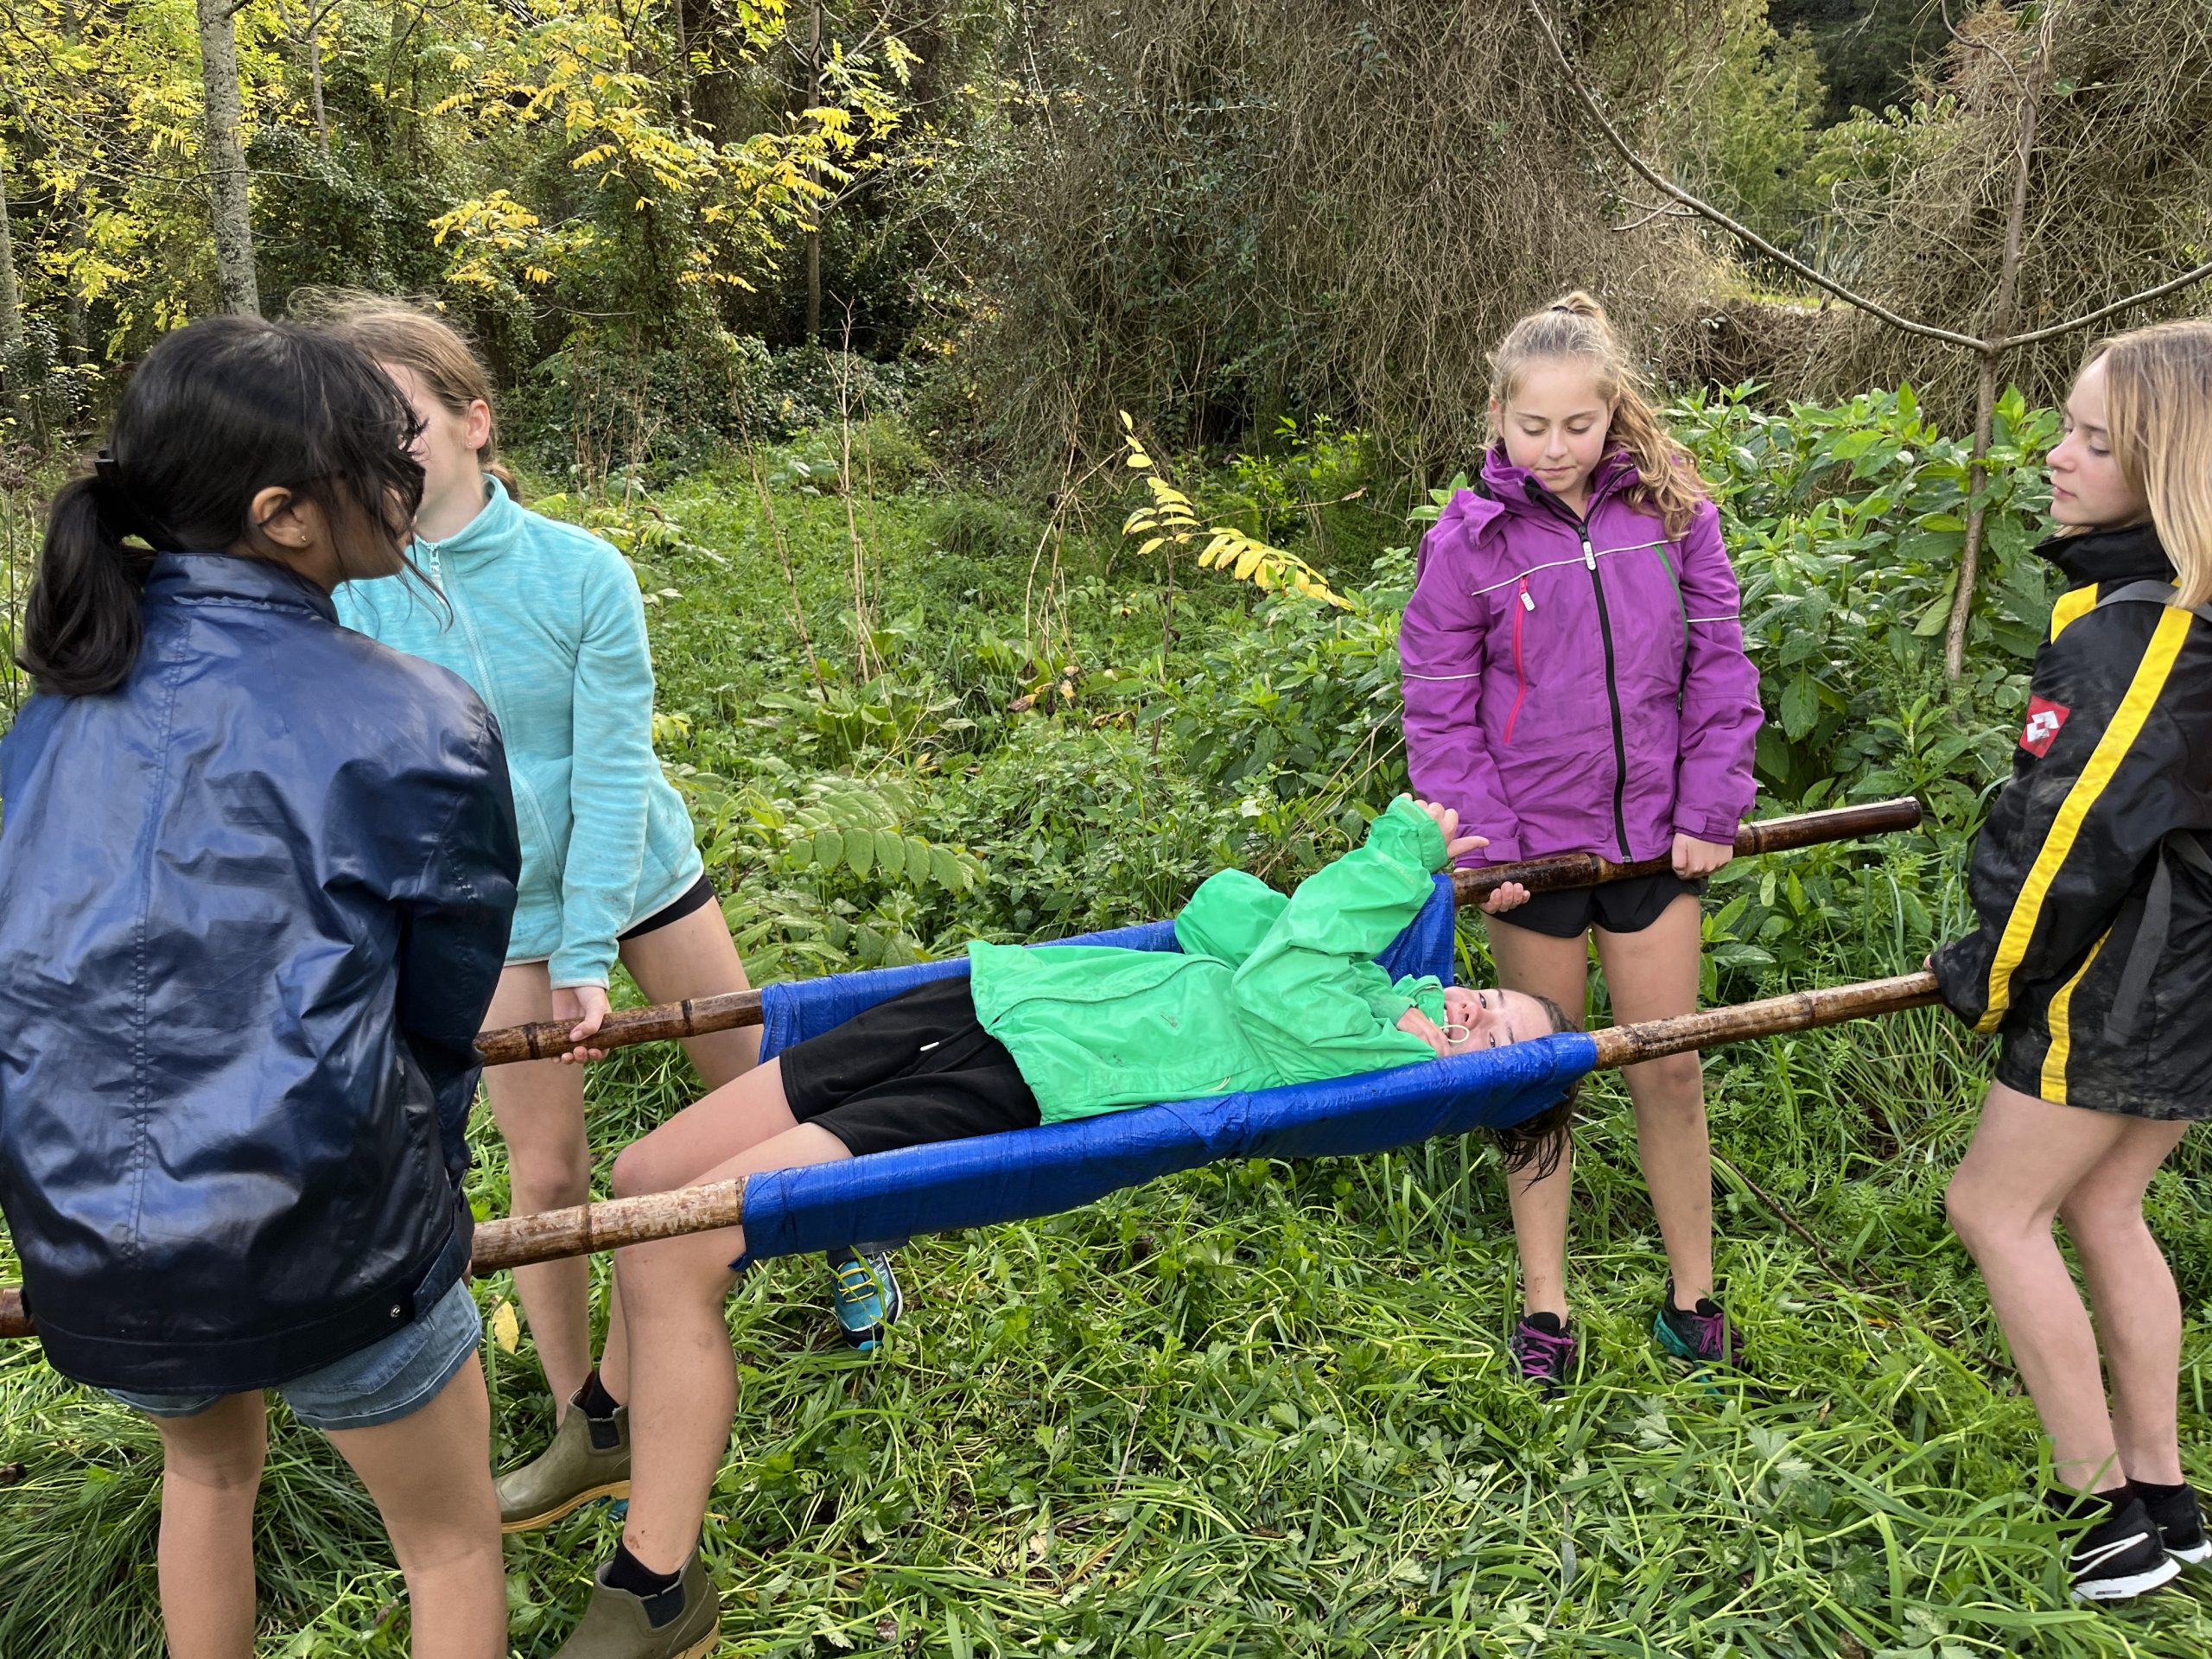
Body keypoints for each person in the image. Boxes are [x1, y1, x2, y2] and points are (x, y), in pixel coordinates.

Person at [513, 797, 1567, 1657]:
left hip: (1027, 1085)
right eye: (1484, 997)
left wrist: (1394, 864)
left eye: (1490, 1042)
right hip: (994, 997)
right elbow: (1219, 911)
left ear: (1466, 1085)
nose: (1472, 1013)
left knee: (679, 1240)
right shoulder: (1368, 995)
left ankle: (656, 1588)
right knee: (647, 1176)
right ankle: (611, 1426)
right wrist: (1396, 929)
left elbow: (1282, 980)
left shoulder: (1375, 1062)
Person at [0, 317, 520, 1658]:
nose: (404, 481)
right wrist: (429, 1195)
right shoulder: (421, 721)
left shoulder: (48, 719)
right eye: (378, 461)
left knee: (208, 1475)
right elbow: (440, 1018)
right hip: (333, 1235)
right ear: (283, 516)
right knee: (452, 1544)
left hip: (97, 1251)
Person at [305, 298, 901, 1452]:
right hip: (493, 916)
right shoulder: (353, 599)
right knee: (545, 1172)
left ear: (475, 422)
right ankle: (587, 1413)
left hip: (640, 875)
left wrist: (588, 949)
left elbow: (614, 771)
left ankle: (844, 1234)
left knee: (759, 1083)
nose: (377, 452)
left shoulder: (582, 572)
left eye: (400, 420)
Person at [1398, 290, 1764, 1391]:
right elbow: (1437, 708)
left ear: (1613, 413)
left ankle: (1692, 1300)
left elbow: (1720, 666)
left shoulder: (1674, 513)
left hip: (1654, 848)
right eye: (1532, 426)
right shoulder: (1467, 543)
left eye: (1578, 425)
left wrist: (1708, 808)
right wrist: (1487, 852)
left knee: (1669, 1068)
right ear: (1496, 417)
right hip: (1533, 861)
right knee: (1537, 1078)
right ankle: (1545, 1306)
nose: (1555, 448)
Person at [1933, 319, 2212, 1604]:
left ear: (2169, 470)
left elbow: (2067, 842)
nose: (2056, 456)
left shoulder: (2139, 633)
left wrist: (1989, 977)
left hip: (2122, 977)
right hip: (2188, 974)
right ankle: (2169, 1497)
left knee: (1993, 1208)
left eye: (2095, 442)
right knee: (2106, 1206)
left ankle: (2100, 1513)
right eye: (2065, 426)